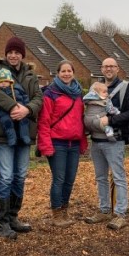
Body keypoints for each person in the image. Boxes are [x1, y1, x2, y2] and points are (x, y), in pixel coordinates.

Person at [0, 37, 43, 239]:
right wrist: (13, 107)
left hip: (25, 132)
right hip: (3, 133)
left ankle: (13, 216)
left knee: (20, 175)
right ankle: (3, 223)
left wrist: (27, 109)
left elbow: (38, 98)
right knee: (6, 176)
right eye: (10, 52)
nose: (13, 55)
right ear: (6, 54)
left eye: (17, 52)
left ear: (22, 54)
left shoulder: (30, 75)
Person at [84, 58, 129, 230]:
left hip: (115, 140)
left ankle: (120, 213)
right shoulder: (94, 89)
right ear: (101, 68)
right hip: (96, 141)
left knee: (118, 177)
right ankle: (104, 210)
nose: (108, 69)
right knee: (100, 178)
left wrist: (111, 120)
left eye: (112, 66)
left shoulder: (126, 88)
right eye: (105, 66)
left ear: (117, 69)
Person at [37, 60, 87, 228]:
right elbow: (44, 121)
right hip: (57, 142)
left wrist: (82, 141)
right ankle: (56, 212)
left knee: (70, 179)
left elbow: (81, 120)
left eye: (69, 71)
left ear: (73, 73)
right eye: (63, 71)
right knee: (59, 179)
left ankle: (65, 209)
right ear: (57, 73)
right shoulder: (51, 93)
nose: (66, 74)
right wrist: (46, 145)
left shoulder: (78, 93)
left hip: (74, 142)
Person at [0, 68, 31, 146]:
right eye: (1, 82)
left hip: (19, 111)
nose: (3, 83)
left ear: (10, 81)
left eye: (6, 81)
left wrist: (27, 107)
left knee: (24, 121)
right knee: (6, 122)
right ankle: (12, 138)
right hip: (2, 113)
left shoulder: (17, 88)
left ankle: (25, 135)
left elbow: (25, 97)